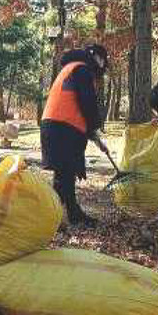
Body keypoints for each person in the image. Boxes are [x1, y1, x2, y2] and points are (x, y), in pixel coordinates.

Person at [40, 43, 108, 227]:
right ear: (97, 58)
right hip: (63, 127)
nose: (103, 67)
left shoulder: (70, 68)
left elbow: (76, 104)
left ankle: (67, 213)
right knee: (65, 173)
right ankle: (56, 216)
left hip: (53, 125)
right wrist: (94, 127)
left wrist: (92, 133)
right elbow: (87, 102)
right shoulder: (82, 70)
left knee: (64, 173)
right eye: (103, 61)